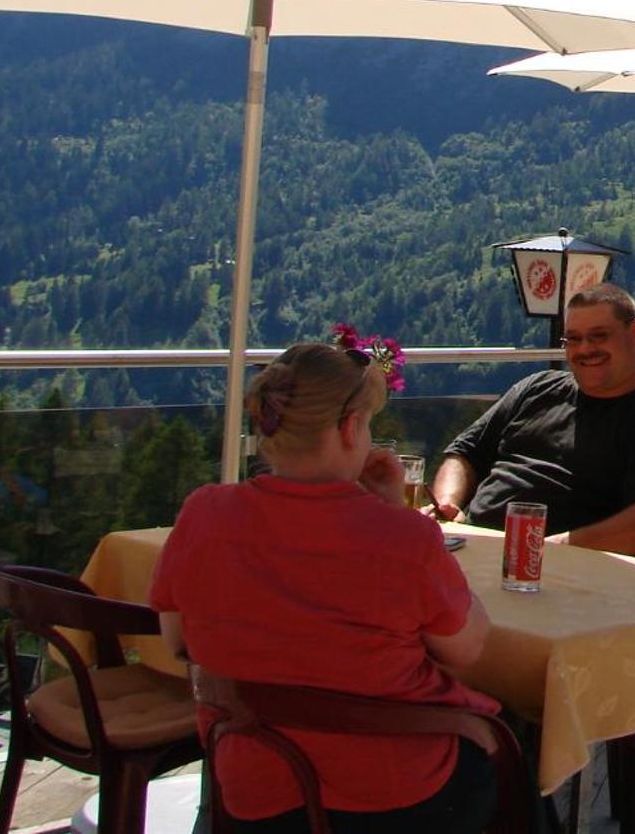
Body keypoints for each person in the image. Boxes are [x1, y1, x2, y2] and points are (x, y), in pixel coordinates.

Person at [150, 340, 497, 833]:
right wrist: (393, 512)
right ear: (350, 428)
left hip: (256, 787)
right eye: (369, 424)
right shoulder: (403, 538)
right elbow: (467, 649)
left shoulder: (204, 513)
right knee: (510, 759)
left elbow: (177, 640)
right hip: (392, 795)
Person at [431, 284, 635, 554]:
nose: (585, 349)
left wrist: (551, 547)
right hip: (470, 546)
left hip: (558, 565)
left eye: (598, 336)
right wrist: (447, 504)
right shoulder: (536, 389)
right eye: (573, 338)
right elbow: (465, 453)